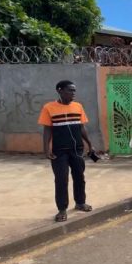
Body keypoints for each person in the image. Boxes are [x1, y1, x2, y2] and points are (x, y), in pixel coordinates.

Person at [38, 80, 96, 222]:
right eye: (70, 90)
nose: (73, 93)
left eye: (74, 90)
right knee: (61, 180)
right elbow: (47, 130)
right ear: (60, 90)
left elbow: (82, 127)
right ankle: (62, 209)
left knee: (79, 177)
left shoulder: (78, 107)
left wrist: (90, 144)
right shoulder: (49, 108)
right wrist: (47, 149)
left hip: (77, 150)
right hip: (59, 151)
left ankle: (80, 202)